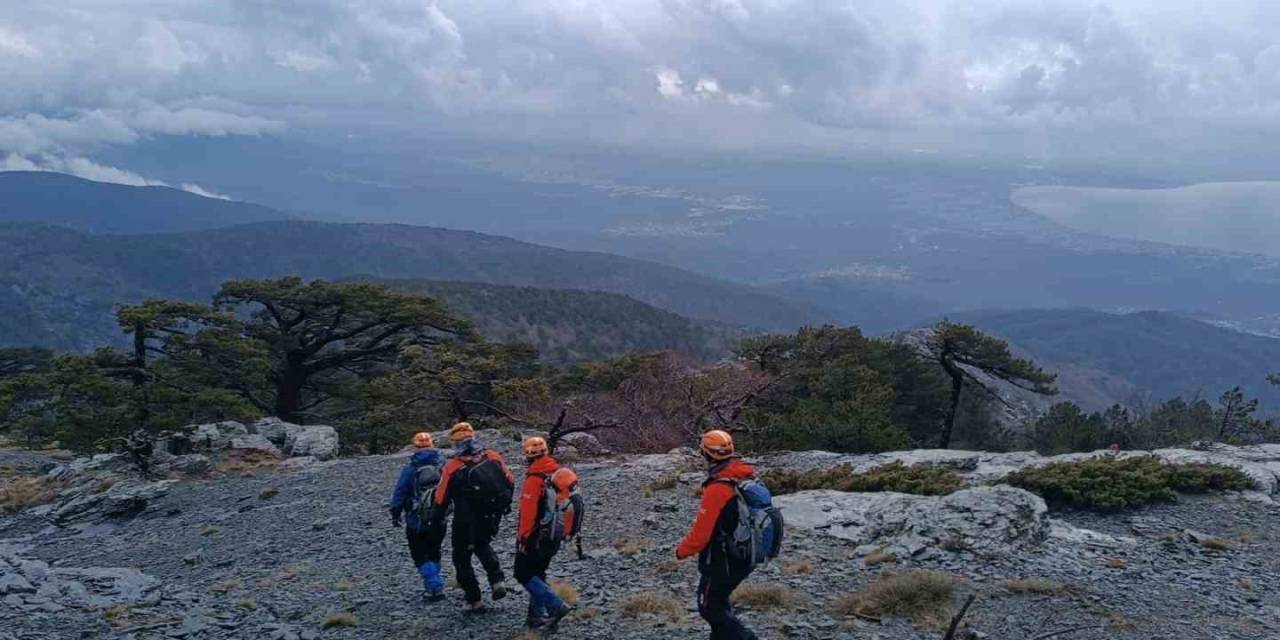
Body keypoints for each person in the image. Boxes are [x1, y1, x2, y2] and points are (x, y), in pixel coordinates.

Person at [676, 430, 760, 640]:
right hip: (745, 553)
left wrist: (681, 551)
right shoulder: (742, 475)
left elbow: (701, 535)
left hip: (724, 559)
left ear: (707, 454)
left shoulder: (718, 488)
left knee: (709, 607)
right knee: (719, 601)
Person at [434, 421, 516, 612]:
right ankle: (497, 580)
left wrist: (438, 517)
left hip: (465, 520)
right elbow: (510, 480)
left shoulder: (453, 466)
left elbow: (441, 498)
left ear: (455, 442)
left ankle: (475, 600)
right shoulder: (492, 455)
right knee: (483, 544)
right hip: (491, 515)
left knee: (461, 557)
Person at [514, 437, 575, 629]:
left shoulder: (534, 479)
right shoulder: (557, 473)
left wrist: (523, 538)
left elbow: (528, 514)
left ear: (527, 455)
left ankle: (555, 606)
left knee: (522, 573)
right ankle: (535, 618)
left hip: (536, 536)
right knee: (538, 573)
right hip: (554, 535)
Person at [388, 431, 448, 602]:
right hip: (439, 517)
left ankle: (435, 586)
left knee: (420, 554)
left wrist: (395, 513)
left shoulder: (411, 468)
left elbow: (400, 492)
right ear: (432, 445)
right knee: (434, 551)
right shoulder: (443, 466)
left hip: (416, 520)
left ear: (414, 447)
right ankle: (434, 587)